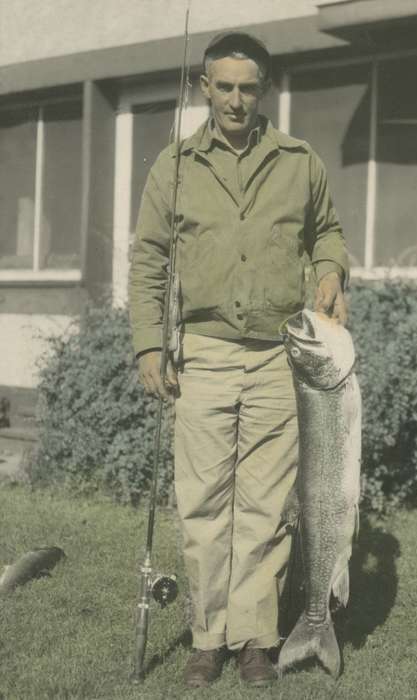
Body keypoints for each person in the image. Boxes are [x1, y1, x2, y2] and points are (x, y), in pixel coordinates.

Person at [129, 31, 349, 689]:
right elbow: (148, 259)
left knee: (264, 504)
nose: (234, 100)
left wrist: (331, 270)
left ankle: (255, 638)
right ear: (204, 87)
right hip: (205, 354)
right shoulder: (173, 165)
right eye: (222, 86)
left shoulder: (298, 160)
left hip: (283, 360)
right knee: (202, 503)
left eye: (246, 88)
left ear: (264, 91)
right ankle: (207, 637)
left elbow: (327, 231)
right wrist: (147, 343)